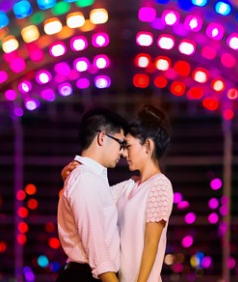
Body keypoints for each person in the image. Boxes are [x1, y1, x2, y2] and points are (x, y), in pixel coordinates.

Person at [62, 104, 174, 282]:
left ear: (147, 146)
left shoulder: (159, 184)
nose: (123, 152)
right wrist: (68, 179)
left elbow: (152, 243)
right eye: (122, 145)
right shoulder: (130, 185)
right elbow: (90, 200)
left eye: (127, 145)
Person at [56, 107, 131, 282]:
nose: (122, 152)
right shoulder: (85, 179)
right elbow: (99, 254)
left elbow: (115, 195)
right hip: (86, 276)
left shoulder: (91, 178)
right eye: (120, 143)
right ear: (102, 137)